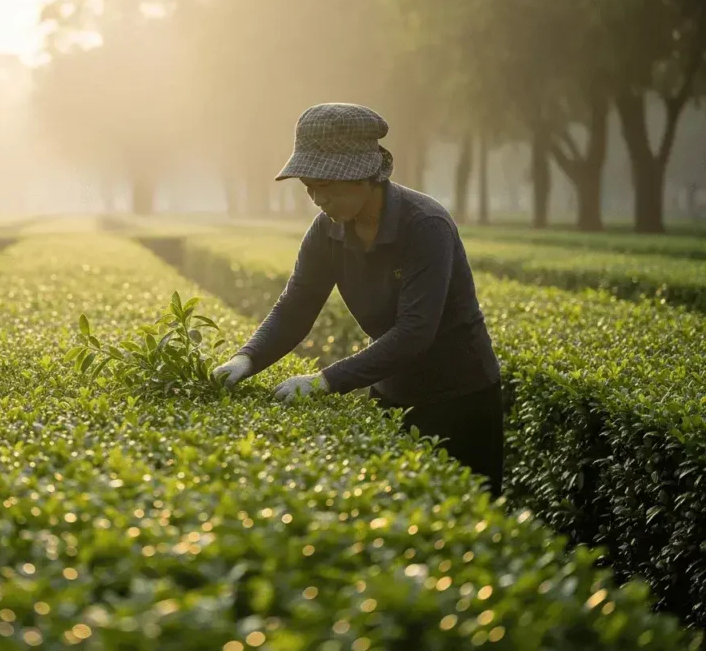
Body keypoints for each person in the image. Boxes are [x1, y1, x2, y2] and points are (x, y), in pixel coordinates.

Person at [211, 102, 504, 497]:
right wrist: (245, 359)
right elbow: (295, 307)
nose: (316, 198)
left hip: (459, 399)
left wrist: (325, 381)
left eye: (325, 185)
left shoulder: (424, 225)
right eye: (308, 186)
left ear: (362, 176)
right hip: (390, 393)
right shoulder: (327, 232)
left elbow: (415, 331)